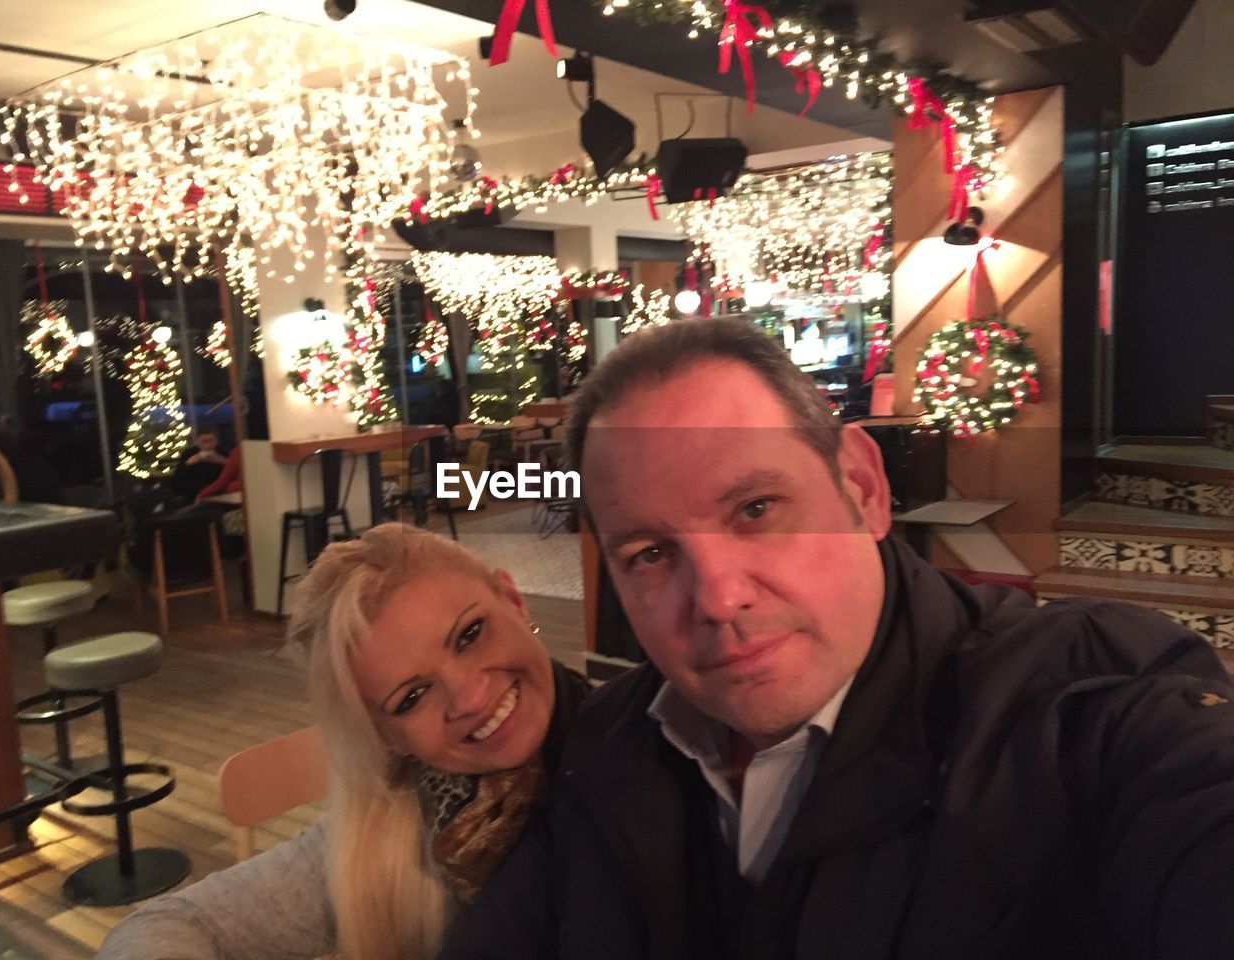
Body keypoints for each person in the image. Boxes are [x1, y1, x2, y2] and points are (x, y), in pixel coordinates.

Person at [439, 317, 1234, 959]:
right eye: (650, 554)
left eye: (756, 509)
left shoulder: (1089, 713)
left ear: (862, 486)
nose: (717, 598)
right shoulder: (609, 745)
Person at [97, 524, 589, 960]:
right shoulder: (403, 830)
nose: (469, 696)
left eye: (470, 634)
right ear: (387, 738)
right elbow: (162, 926)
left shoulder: (642, 753)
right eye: (412, 696)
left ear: (514, 600)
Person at [168, 426, 227, 503]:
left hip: (218, 490)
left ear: (216, 441)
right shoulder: (188, 454)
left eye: (211, 441)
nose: (208, 445)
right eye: (204, 441)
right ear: (198, 442)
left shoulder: (223, 452)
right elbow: (176, 479)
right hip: (192, 493)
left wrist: (223, 461)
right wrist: (188, 463)